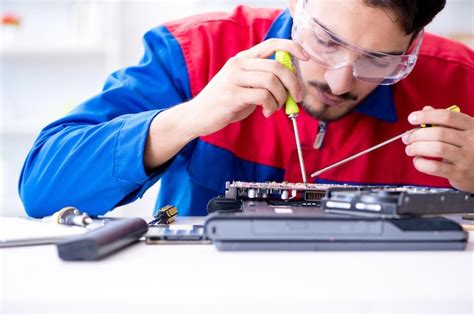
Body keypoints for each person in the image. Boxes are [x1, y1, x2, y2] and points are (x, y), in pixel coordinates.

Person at [19, 0, 474, 218]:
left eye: (378, 60)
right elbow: (43, 190)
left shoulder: (461, 79)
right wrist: (190, 117)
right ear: (298, 3)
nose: (339, 82)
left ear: (413, 44)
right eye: (326, 41)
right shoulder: (193, 52)